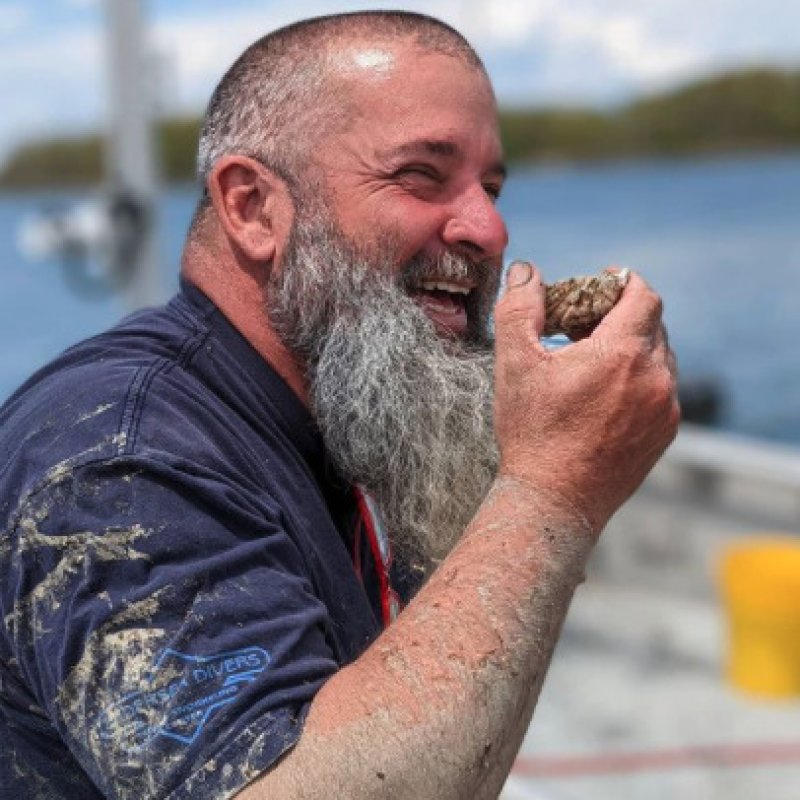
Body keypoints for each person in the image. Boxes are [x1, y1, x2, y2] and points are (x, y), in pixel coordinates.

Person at [0, 11, 679, 799]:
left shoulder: (325, 404)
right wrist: (553, 490)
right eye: (420, 175)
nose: (489, 229)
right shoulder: (120, 459)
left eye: (490, 188)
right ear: (254, 207)